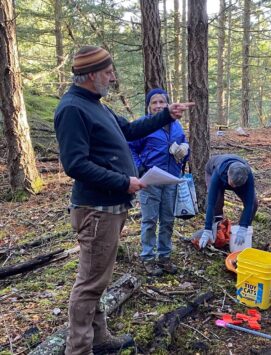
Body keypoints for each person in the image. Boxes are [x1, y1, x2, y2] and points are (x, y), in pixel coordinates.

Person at [54, 45, 193, 355]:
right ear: (90, 75)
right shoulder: (72, 109)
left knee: (99, 278)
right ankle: (78, 349)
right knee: (89, 284)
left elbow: (130, 130)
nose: (112, 76)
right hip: (96, 209)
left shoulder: (96, 104)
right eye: (107, 72)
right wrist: (123, 181)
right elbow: (74, 165)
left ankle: (100, 338)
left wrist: (164, 116)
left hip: (110, 208)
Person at [129, 88, 189, 276]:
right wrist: (140, 169)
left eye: (162, 102)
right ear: (148, 107)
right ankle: (148, 257)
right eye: (154, 103)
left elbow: (184, 143)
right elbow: (130, 147)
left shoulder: (176, 125)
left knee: (168, 220)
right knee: (149, 220)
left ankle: (164, 257)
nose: (158, 106)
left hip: (171, 180)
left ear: (167, 104)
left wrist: (185, 150)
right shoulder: (143, 125)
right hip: (150, 181)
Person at [198, 154, 257, 249]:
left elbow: (249, 203)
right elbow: (211, 203)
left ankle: (244, 230)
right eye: (233, 184)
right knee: (217, 201)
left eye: (236, 185)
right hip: (213, 171)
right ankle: (217, 230)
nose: (234, 187)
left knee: (254, 203)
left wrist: (243, 227)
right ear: (228, 173)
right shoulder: (218, 173)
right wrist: (207, 229)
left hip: (236, 178)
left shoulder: (247, 174)